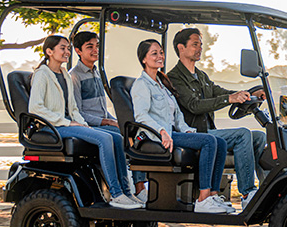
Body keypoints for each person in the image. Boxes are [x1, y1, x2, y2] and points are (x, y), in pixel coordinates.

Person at [29, 35, 140, 209]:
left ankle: (126, 192)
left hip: (68, 124)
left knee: (117, 138)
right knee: (104, 139)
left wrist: (82, 124)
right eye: (62, 48)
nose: (67, 52)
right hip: (53, 127)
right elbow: (35, 108)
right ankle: (116, 194)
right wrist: (68, 123)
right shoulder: (42, 74)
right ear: (49, 52)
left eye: (67, 48)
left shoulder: (64, 74)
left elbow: (73, 109)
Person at [131, 39, 234, 214]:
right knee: (209, 141)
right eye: (154, 53)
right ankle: (203, 198)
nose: (160, 56)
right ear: (144, 59)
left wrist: (186, 129)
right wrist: (162, 131)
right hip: (157, 136)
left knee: (220, 142)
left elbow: (177, 115)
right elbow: (141, 116)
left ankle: (213, 195)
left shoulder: (162, 84)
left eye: (161, 52)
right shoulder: (141, 85)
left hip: (173, 132)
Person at [167, 28, 265, 206]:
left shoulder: (201, 76)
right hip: (195, 134)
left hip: (210, 132)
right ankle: (247, 194)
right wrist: (229, 98)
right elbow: (194, 105)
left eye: (201, 45)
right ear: (181, 48)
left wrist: (248, 95)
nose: (199, 49)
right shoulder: (174, 77)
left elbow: (220, 92)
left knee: (259, 136)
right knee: (243, 134)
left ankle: (264, 189)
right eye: (195, 45)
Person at [69, 31, 147, 202]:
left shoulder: (96, 73)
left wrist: (117, 120)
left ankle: (135, 188)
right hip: (91, 125)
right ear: (78, 51)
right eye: (90, 47)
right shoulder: (74, 76)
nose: (95, 50)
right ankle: (119, 191)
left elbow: (102, 109)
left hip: (103, 122)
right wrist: (108, 122)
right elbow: (78, 113)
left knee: (135, 132)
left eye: (97, 46)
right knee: (118, 137)